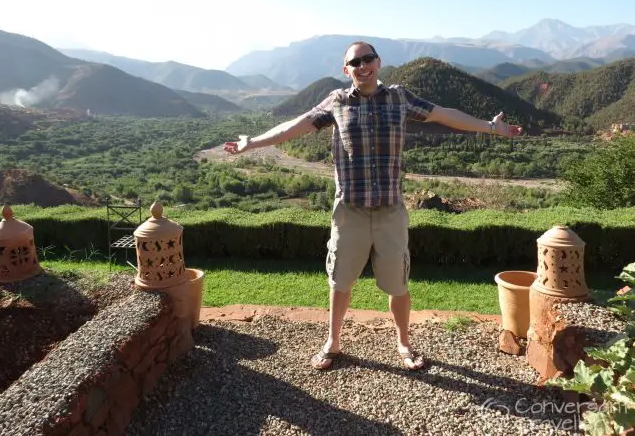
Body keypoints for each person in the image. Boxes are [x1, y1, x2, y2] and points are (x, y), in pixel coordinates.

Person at [224, 41, 523, 371]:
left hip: (390, 211)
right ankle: (333, 342)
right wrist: (252, 142)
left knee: (398, 284)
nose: (363, 65)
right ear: (346, 69)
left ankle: (404, 343)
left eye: (368, 59)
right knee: (340, 282)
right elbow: (294, 127)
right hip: (349, 210)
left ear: (379, 63)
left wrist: (490, 127)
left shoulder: (399, 97)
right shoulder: (336, 101)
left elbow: (445, 115)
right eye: (355, 62)